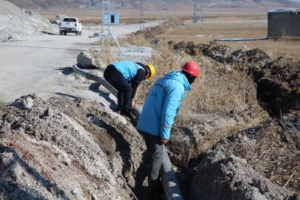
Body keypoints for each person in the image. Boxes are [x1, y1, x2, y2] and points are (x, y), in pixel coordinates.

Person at [136, 61, 201, 198]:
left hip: (145, 121)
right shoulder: (177, 86)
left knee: (155, 154)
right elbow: (168, 112)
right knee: (156, 156)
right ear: (191, 76)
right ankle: (153, 190)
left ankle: (154, 185)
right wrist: (165, 134)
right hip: (152, 126)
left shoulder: (165, 79)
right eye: (195, 78)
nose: (194, 80)